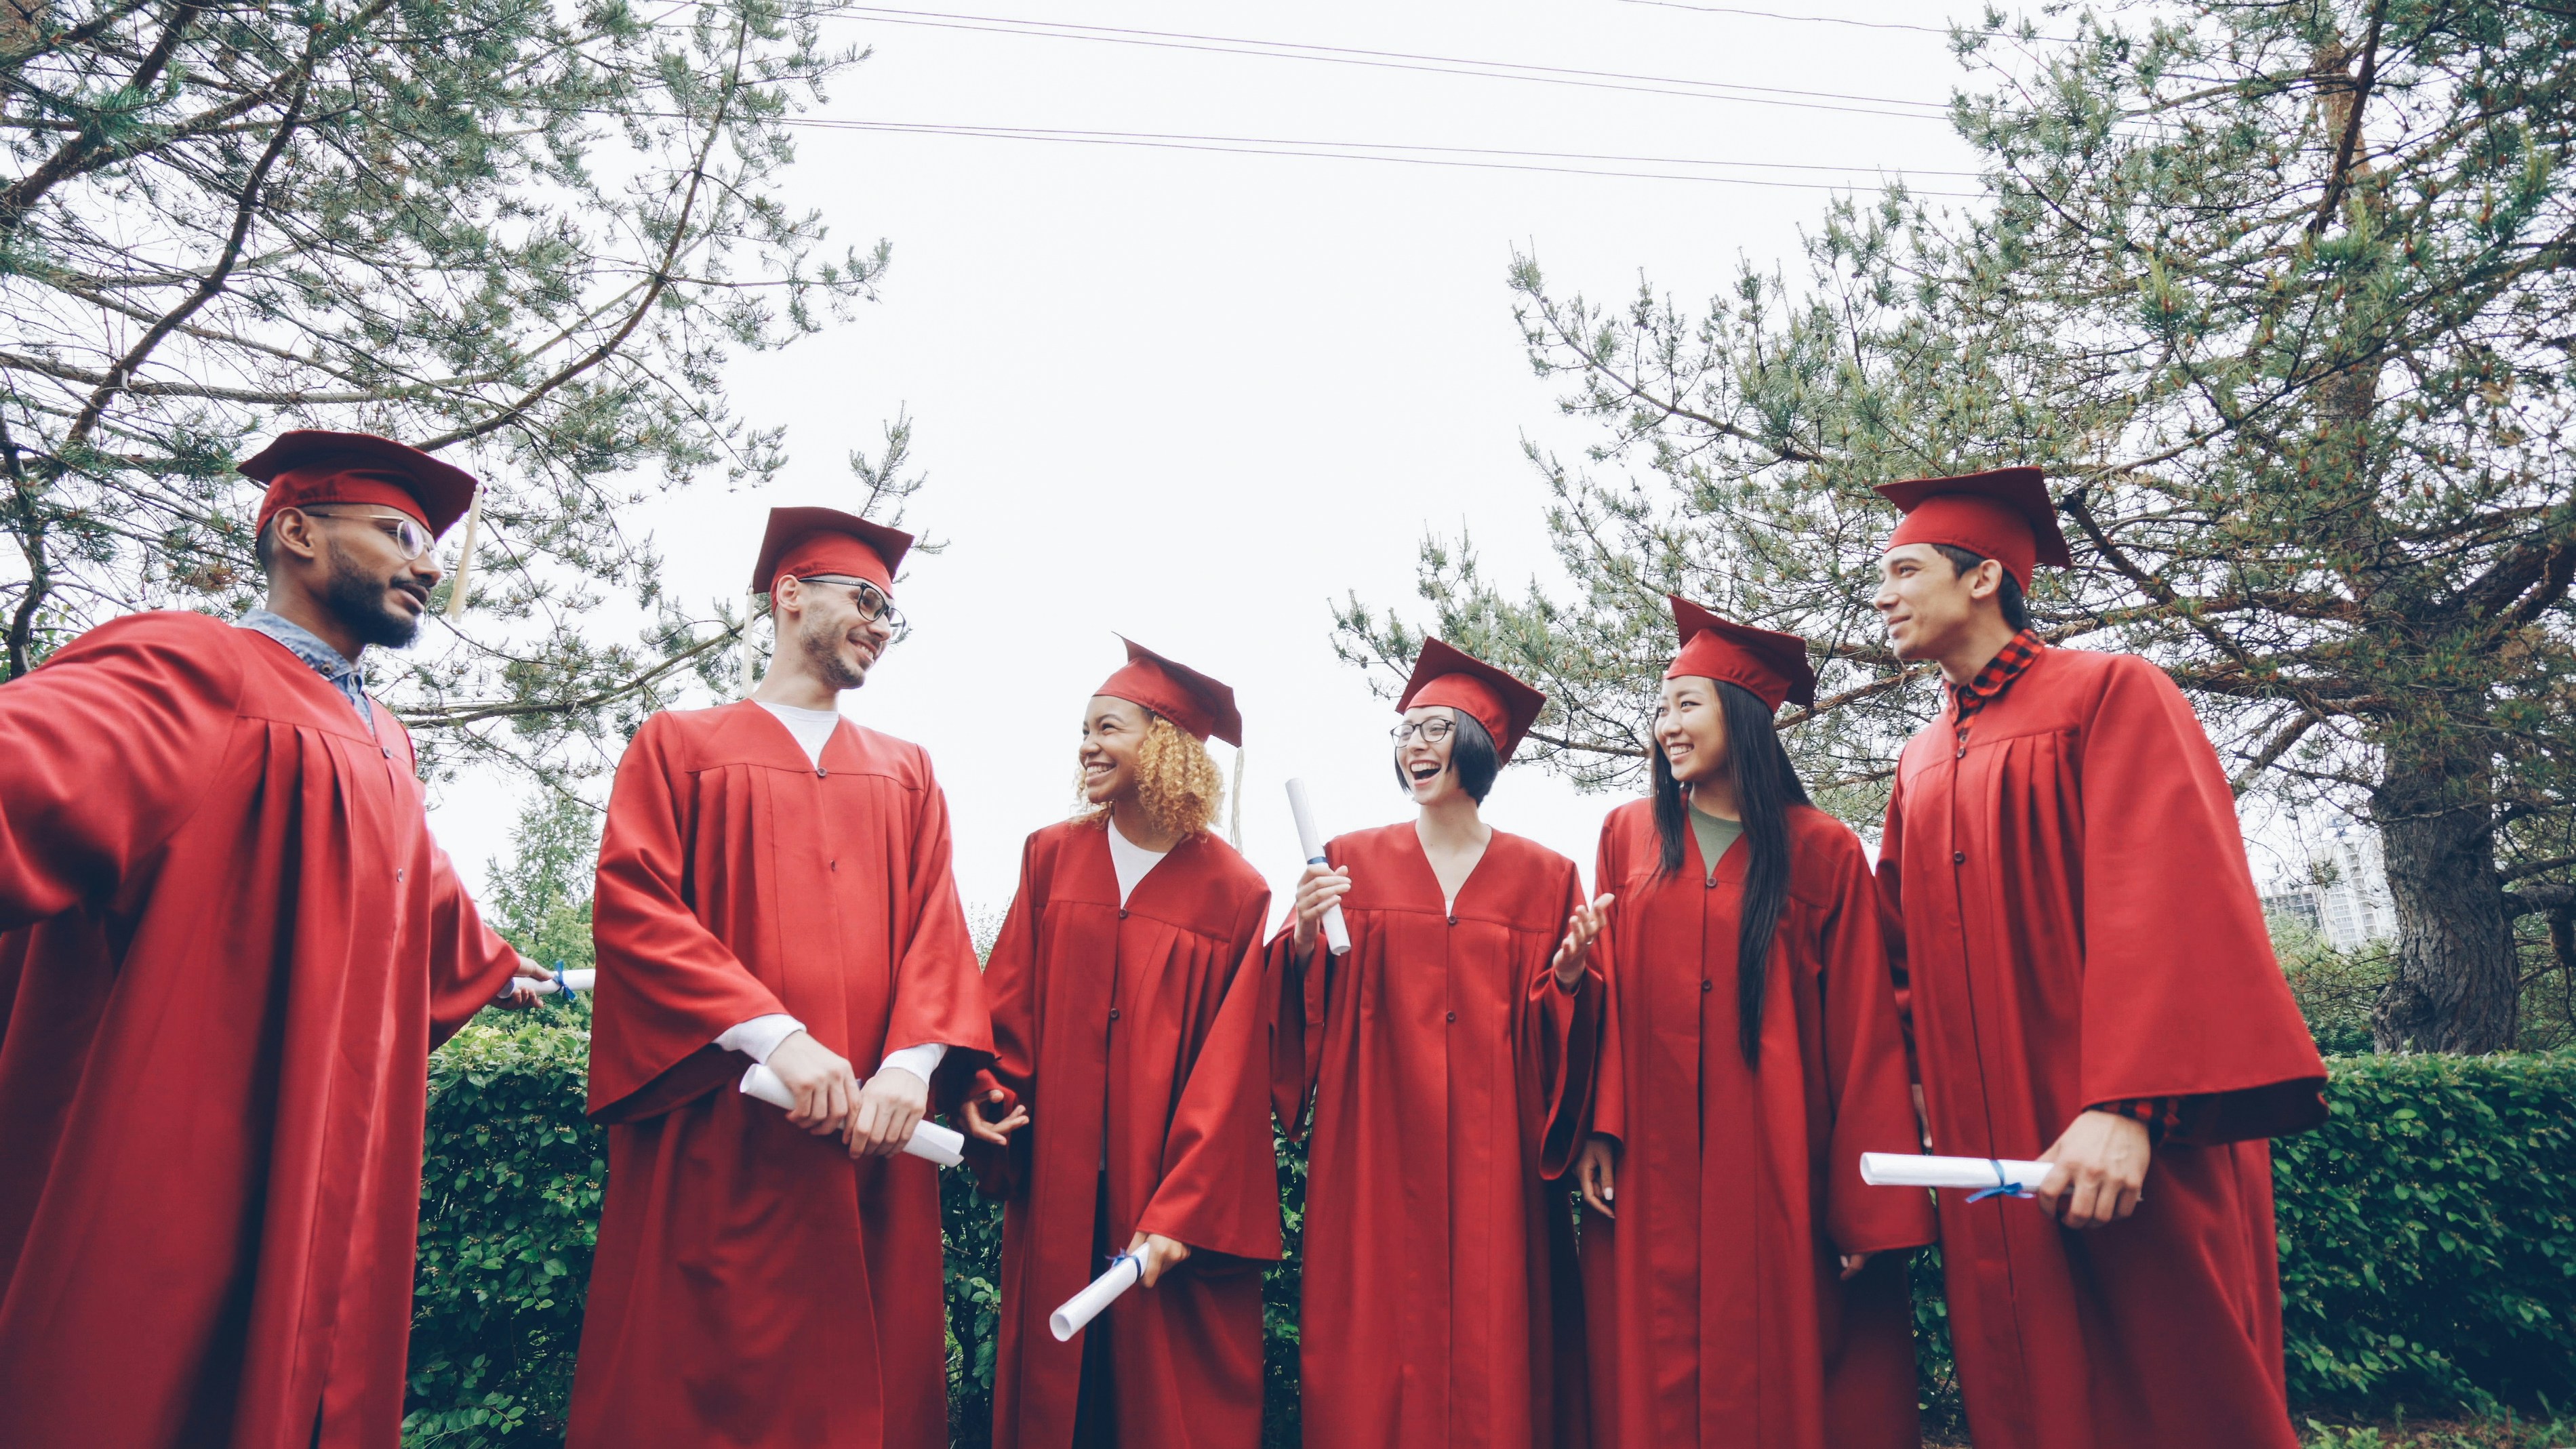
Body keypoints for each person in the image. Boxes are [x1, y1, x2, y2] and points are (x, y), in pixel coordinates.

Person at [0, 430, 546, 1448]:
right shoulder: (193, 664)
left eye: (429, 545)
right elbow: (37, 755)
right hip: (173, 1162)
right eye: (397, 533)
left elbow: (423, 898)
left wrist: (505, 968)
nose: (428, 565)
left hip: (321, 1181)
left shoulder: (386, 740)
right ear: (295, 531)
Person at [1869, 466, 2329, 1449]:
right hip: (1994, 1161)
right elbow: (1895, 957)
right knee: (2028, 1395)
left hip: (2126, 1137)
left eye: (1905, 569)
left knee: (2174, 1389)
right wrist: (1907, 1082)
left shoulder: (2112, 692)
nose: (1883, 594)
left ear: (1984, 576)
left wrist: (2128, 1104)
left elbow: (2176, 904)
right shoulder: (1917, 761)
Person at [569, 505, 993, 1449]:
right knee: (700, 1388)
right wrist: (775, 1035)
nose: (882, 622)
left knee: (868, 1386)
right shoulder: (680, 744)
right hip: (726, 1127)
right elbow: (635, 906)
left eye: (893, 611)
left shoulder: (907, 771)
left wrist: (908, 1070)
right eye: (865, 597)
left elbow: (939, 929)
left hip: (873, 1142)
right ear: (789, 593)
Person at [1573, 596, 1935, 1449]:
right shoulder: (1627, 833)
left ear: (1740, 715)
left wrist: (1864, 1207)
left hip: (1777, 1159)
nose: (1665, 724)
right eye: (1659, 708)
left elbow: (1863, 1034)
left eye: (1684, 704)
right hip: (1650, 1157)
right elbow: (1607, 990)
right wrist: (1599, 1124)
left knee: (1779, 1364)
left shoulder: (1821, 850)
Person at [1272, 638, 1613, 1449]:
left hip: (1495, 1162)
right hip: (1375, 1150)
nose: (1412, 745)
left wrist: (1567, 980)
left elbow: (1560, 1042)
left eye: (1433, 727)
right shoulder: (1348, 862)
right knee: (1373, 1338)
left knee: (1499, 1337)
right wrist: (1299, 935)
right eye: (1403, 732)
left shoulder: (1545, 875)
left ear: (1479, 744)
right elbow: (1299, 1006)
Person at [963, 639, 1281, 1449]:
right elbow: (1006, 1005)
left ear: (1165, 743)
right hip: (1058, 1183)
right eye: (1083, 729)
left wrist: (1182, 1206)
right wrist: (986, 1094)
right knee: (1051, 1395)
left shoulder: (1235, 892)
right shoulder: (1051, 855)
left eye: (1108, 727)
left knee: (1156, 1401)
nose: (1087, 745)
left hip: (1159, 1200)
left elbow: (1233, 1069)